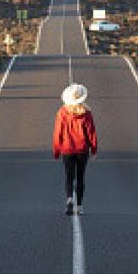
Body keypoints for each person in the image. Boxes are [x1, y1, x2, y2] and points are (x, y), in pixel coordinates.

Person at [52, 83, 98, 216]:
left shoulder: (62, 113)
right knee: (80, 177)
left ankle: (69, 199)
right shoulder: (87, 114)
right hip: (82, 150)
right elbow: (91, 133)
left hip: (67, 149)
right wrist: (94, 149)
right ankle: (79, 206)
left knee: (69, 176)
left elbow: (57, 133)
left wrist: (56, 150)